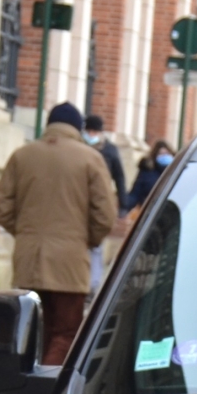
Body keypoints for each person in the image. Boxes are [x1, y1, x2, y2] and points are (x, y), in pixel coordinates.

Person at [0, 102, 118, 367]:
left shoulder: (22, 155)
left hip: (29, 258)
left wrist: (26, 234)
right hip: (69, 261)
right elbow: (105, 215)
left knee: (33, 332)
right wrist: (85, 240)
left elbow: (3, 209)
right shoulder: (90, 158)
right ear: (78, 128)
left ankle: (32, 387)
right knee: (64, 333)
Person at [82, 114, 128, 288]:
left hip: (99, 202)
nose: (92, 134)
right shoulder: (79, 146)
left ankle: (93, 284)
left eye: (95, 131)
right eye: (89, 131)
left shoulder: (110, 151)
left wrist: (123, 204)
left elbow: (120, 177)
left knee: (96, 244)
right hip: (80, 201)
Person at [122, 141, 174, 212]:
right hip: (150, 213)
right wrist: (124, 207)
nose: (164, 157)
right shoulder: (146, 172)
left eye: (166, 154)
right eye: (161, 154)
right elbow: (135, 193)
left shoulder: (177, 171)